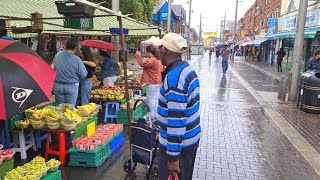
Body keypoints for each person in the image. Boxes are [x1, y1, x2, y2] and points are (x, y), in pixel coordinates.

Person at [157, 33, 201, 180]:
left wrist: (173, 158)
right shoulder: (187, 70)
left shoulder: (174, 79)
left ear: (165, 50)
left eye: (160, 46)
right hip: (190, 141)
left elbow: (177, 120)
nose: (158, 48)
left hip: (180, 148)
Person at [52, 39, 88, 107]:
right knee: (70, 110)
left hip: (58, 86)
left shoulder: (58, 55)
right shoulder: (77, 59)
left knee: (59, 108)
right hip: (72, 86)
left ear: (66, 47)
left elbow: (52, 68)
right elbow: (83, 74)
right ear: (75, 48)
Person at [135, 45, 162, 119]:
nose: (145, 52)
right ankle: (155, 114)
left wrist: (138, 55)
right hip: (157, 81)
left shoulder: (152, 60)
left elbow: (142, 64)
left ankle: (151, 114)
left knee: (150, 99)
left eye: (146, 51)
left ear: (149, 52)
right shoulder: (157, 59)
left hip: (152, 82)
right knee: (155, 98)